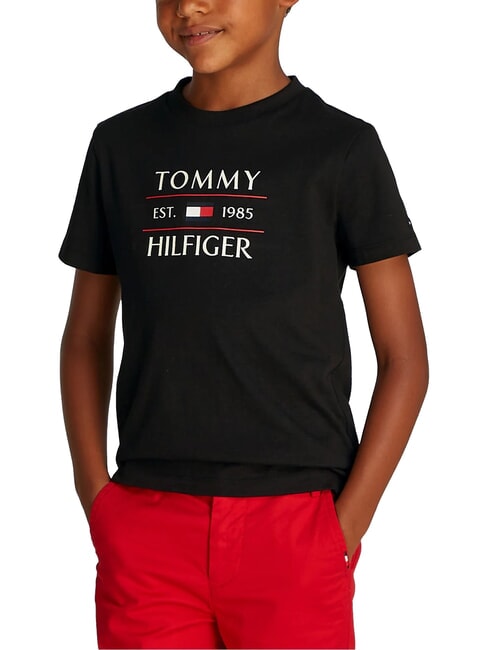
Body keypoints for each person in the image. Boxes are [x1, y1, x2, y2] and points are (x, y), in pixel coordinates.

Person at [59, 0, 429, 648]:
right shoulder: (121, 145)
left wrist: (345, 524)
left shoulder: (340, 147)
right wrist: (98, 499)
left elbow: (404, 358)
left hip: (295, 527)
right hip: (146, 526)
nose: (188, 7)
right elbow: (86, 337)